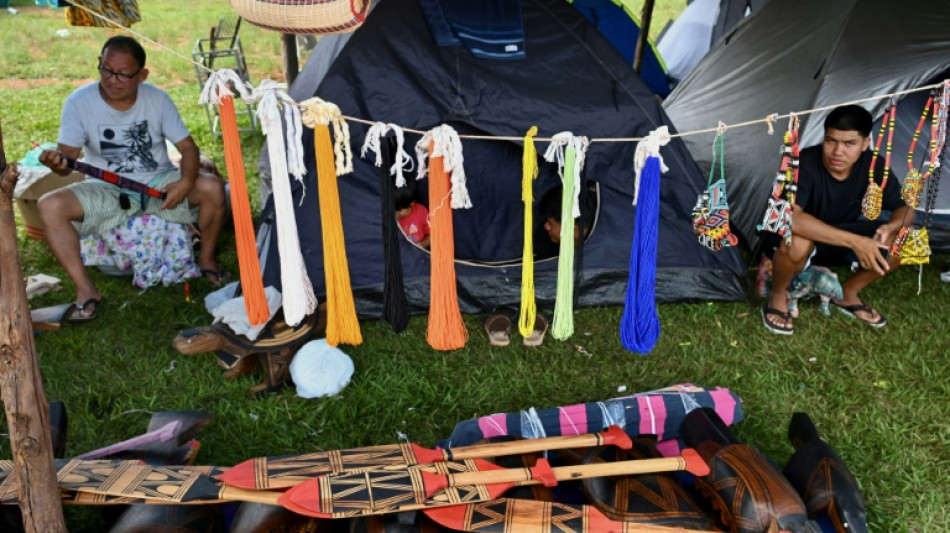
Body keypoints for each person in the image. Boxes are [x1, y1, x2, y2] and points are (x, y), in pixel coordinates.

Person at [38, 36, 228, 322]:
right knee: (49, 205)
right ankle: (86, 290)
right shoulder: (79, 102)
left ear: (142, 75)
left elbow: (189, 149)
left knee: (212, 187)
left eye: (122, 74)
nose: (111, 80)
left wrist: (185, 183)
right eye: (106, 69)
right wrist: (57, 163)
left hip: (159, 181)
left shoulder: (157, 99)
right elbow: (67, 161)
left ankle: (207, 260)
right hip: (106, 188)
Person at [761, 104, 915, 335]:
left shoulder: (874, 164)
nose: (837, 151)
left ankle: (846, 294)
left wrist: (891, 227)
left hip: (837, 234)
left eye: (849, 143)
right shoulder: (802, 163)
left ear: (865, 143)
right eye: (830, 141)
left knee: (908, 239)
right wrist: (857, 242)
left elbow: (906, 208)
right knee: (798, 241)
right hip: (790, 236)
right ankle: (778, 295)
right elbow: (790, 218)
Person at [394, 185, 430, 249]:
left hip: (416, 250)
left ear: (412, 203)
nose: (396, 214)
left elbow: (432, 234)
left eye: (399, 210)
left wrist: (422, 245)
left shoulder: (421, 212)